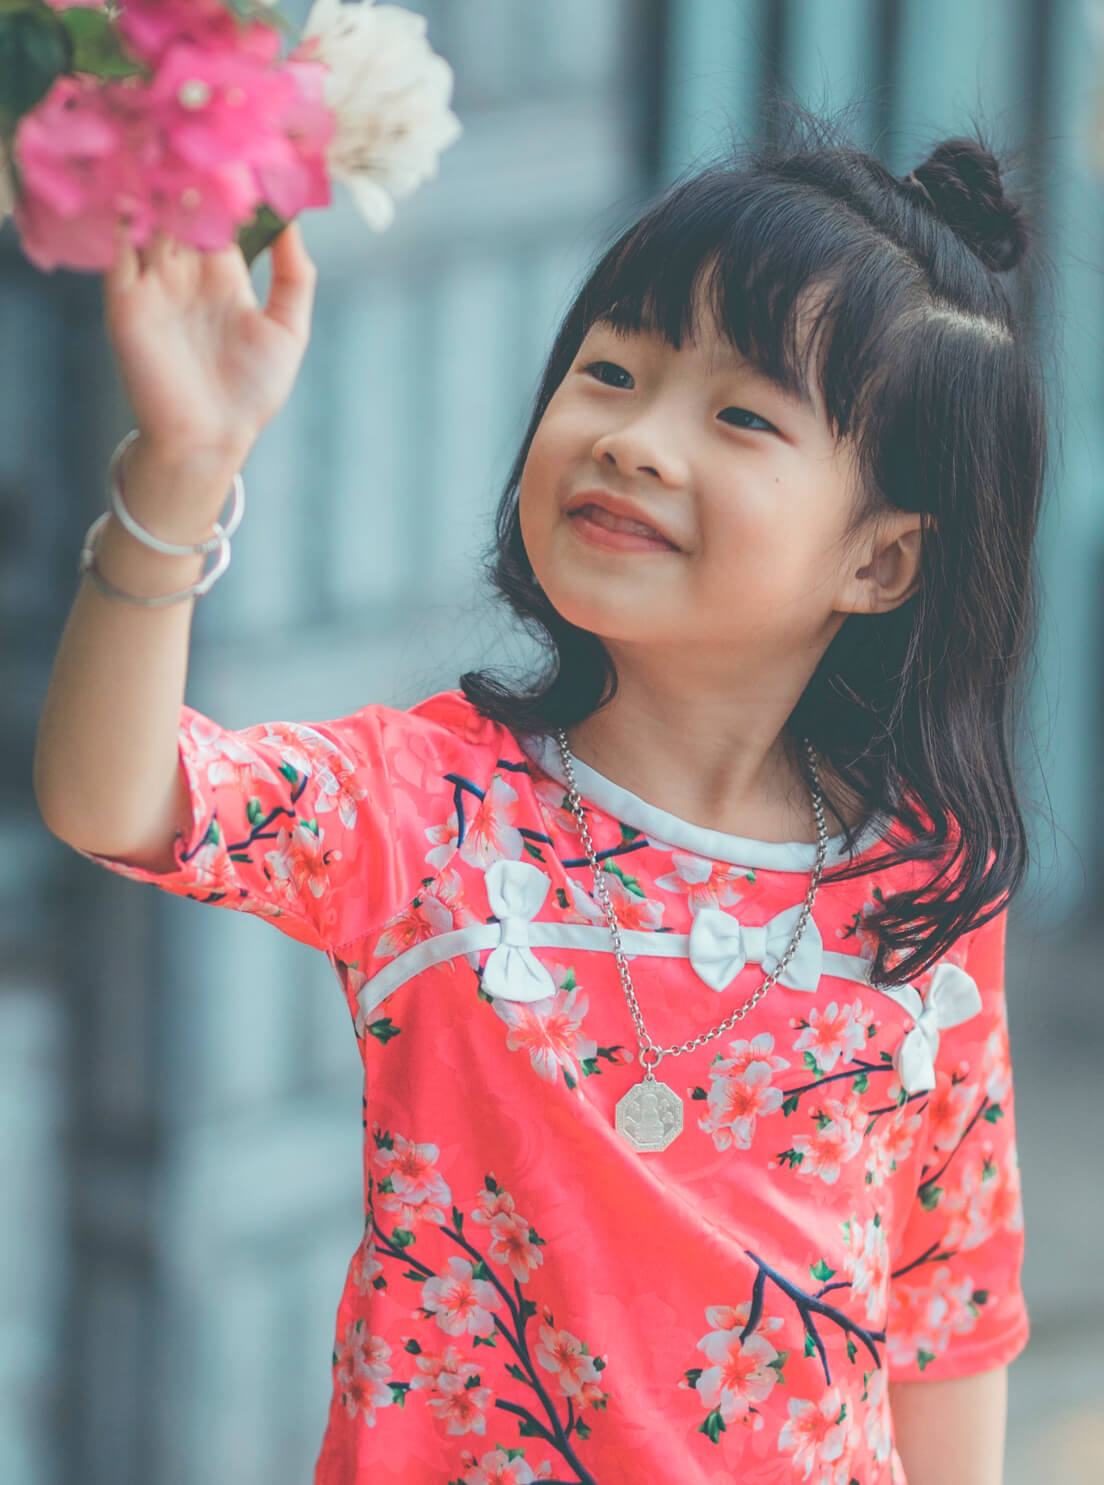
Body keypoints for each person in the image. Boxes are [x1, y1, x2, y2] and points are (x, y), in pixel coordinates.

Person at [33, 102, 1045, 1485]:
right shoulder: (428, 804)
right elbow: (116, 796)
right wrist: (179, 473)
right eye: (612, 370)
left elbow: (948, 1306)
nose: (634, 437)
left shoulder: (924, 890)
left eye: (741, 411)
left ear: (879, 562)